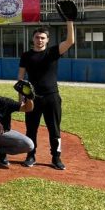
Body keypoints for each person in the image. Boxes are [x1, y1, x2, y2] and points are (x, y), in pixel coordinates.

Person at [18, 23, 74, 170]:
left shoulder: (53, 52)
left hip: (52, 97)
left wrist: (69, 22)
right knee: (31, 129)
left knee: (54, 129)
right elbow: (21, 79)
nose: (40, 40)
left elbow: (70, 41)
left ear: (47, 40)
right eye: (37, 37)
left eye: (43, 38)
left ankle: (56, 158)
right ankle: (30, 155)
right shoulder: (26, 55)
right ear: (33, 39)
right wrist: (21, 99)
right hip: (32, 98)